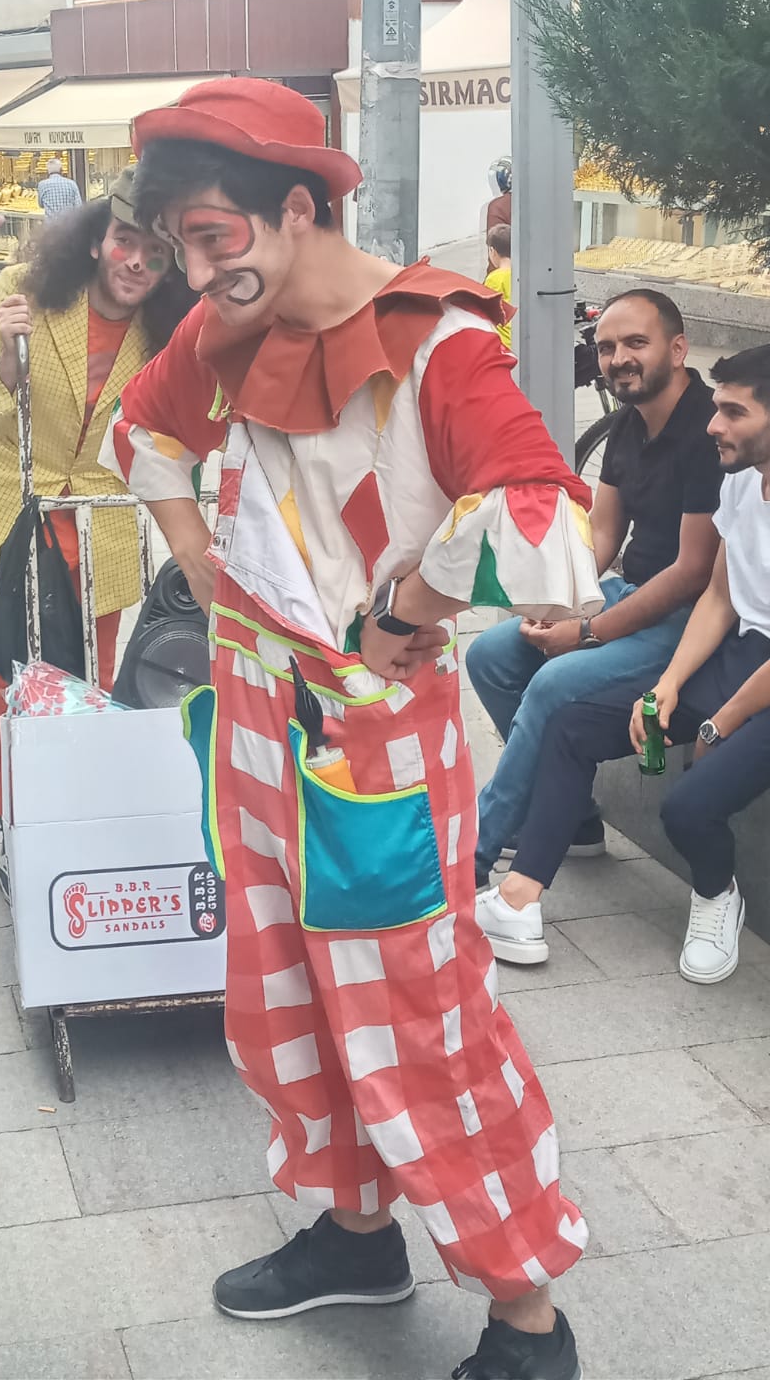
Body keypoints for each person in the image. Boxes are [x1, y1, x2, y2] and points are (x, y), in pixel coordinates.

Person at [102, 81, 600, 1380]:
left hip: (372, 735)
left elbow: (546, 522)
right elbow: (140, 432)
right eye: (179, 246)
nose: (196, 273)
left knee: (422, 1021)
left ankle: (528, 1317)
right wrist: (197, 560)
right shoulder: (223, 328)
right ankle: (357, 1232)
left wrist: (414, 600)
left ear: (297, 206)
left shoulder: (436, 341)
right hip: (250, 710)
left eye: (215, 237)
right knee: (282, 999)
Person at [0, 168, 195, 839]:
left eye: (156, 252)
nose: (136, 261)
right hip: (9, 522)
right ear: (95, 240)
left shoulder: (172, 332)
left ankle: (70, 816)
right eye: (124, 241)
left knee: (88, 680)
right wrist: (7, 367)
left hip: (100, 528)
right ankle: (15, 829)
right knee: (1, 679)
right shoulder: (24, 293)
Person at [506, 344, 770, 986]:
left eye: (735, 413)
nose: (713, 425)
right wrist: (670, 683)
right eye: (716, 408)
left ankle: (717, 895)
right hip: (738, 655)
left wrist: (720, 722)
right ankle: (516, 898)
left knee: (687, 810)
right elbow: (720, 595)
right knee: (571, 724)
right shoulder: (741, 481)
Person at [469, 290, 722, 958]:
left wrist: (584, 634)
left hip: (689, 617)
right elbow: (604, 532)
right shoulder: (628, 424)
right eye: (607, 348)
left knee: (554, 684)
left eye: (635, 343)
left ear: (677, 348)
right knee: (491, 654)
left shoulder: (708, 430)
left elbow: (691, 572)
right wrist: (563, 603)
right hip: (629, 592)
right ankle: (576, 819)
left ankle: (475, 854)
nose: (618, 359)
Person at [484, 223, 513, 350]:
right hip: (523, 337)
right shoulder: (523, 274)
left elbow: (487, 311)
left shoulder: (494, 278)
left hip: (503, 343)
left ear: (492, 251)